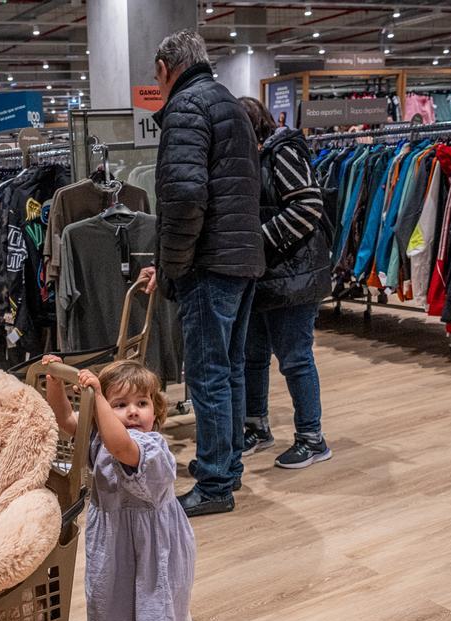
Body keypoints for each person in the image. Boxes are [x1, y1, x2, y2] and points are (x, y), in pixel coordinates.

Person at [139, 29, 265, 517]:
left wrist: (172, 266)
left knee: (209, 374)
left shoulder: (187, 108)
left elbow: (185, 196)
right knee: (228, 369)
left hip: (209, 263)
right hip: (242, 259)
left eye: (157, 77)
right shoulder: (230, 104)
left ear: (167, 68)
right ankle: (225, 465)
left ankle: (215, 483)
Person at [41, 355, 207, 621]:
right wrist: (56, 383)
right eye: (120, 404)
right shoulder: (101, 435)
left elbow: (121, 449)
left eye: (142, 403)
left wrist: (99, 396)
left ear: (155, 409)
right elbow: (66, 420)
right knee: (160, 596)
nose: (133, 412)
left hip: (153, 543)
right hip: (122, 539)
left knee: (151, 602)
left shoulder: (148, 447)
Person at [237, 97, 333, 469]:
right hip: (270, 276)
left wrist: (259, 240)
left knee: (295, 358)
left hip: (294, 277)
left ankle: (313, 438)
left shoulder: (282, 153)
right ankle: (256, 425)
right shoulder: (258, 158)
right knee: (254, 355)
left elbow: (308, 205)